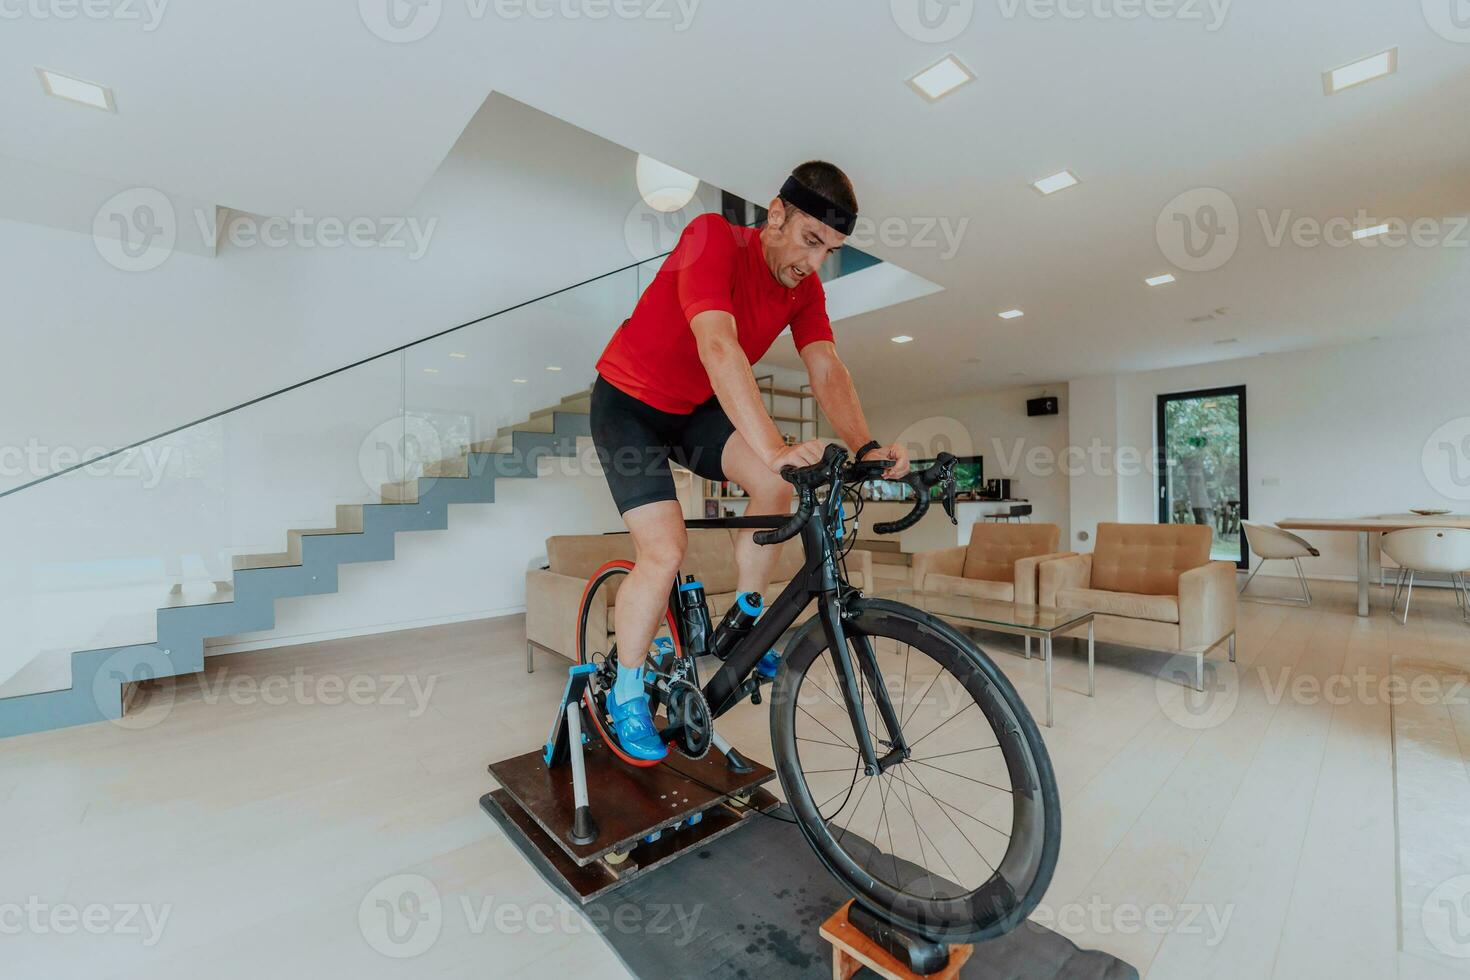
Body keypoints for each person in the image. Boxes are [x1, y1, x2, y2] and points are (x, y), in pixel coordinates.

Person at [589, 161, 910, 760]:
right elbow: (718, 343)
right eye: (811, 241)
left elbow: (825, 368)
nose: (815, 263)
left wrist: (866, 445)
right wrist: (777, 446)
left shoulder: (804, 289)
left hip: (692, 410)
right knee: (664, 549)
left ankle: (747, 615)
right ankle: (626, 690)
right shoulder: (710, 237)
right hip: (628, 402)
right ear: (776, 214)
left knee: (776, 485)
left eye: (831, 250)